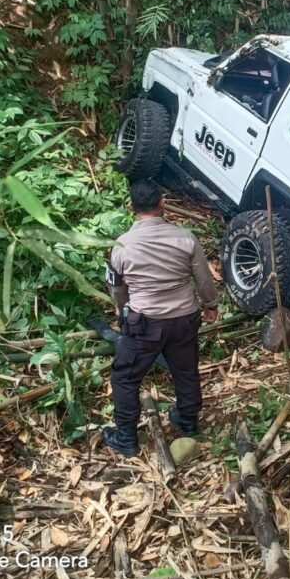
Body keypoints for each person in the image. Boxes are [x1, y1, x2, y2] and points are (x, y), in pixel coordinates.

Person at [103, 180, 219, 455]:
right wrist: (211, 304)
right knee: (185, 369)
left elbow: (117, 288)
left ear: (131, 207)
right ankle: (188, 421)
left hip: (144, 323)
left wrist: (123, 309)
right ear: (162, 204)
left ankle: (127, 438)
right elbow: (203, 278)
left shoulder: (120, 246)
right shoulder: (185, 238)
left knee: (125, 378)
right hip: (184, 319)